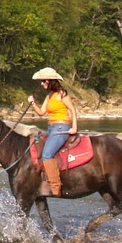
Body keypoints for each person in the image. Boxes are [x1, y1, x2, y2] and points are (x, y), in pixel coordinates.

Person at [27, 67, 78, 197]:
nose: (42, 83)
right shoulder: (49, 96)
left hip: (61, 127)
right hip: (51, 128)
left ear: (51, 81)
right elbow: (41, 113)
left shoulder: (62, 94)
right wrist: (33, 103)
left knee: (47, 154)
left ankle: (55, 187)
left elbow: (72, 110)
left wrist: (74, 127)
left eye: (44, 81)